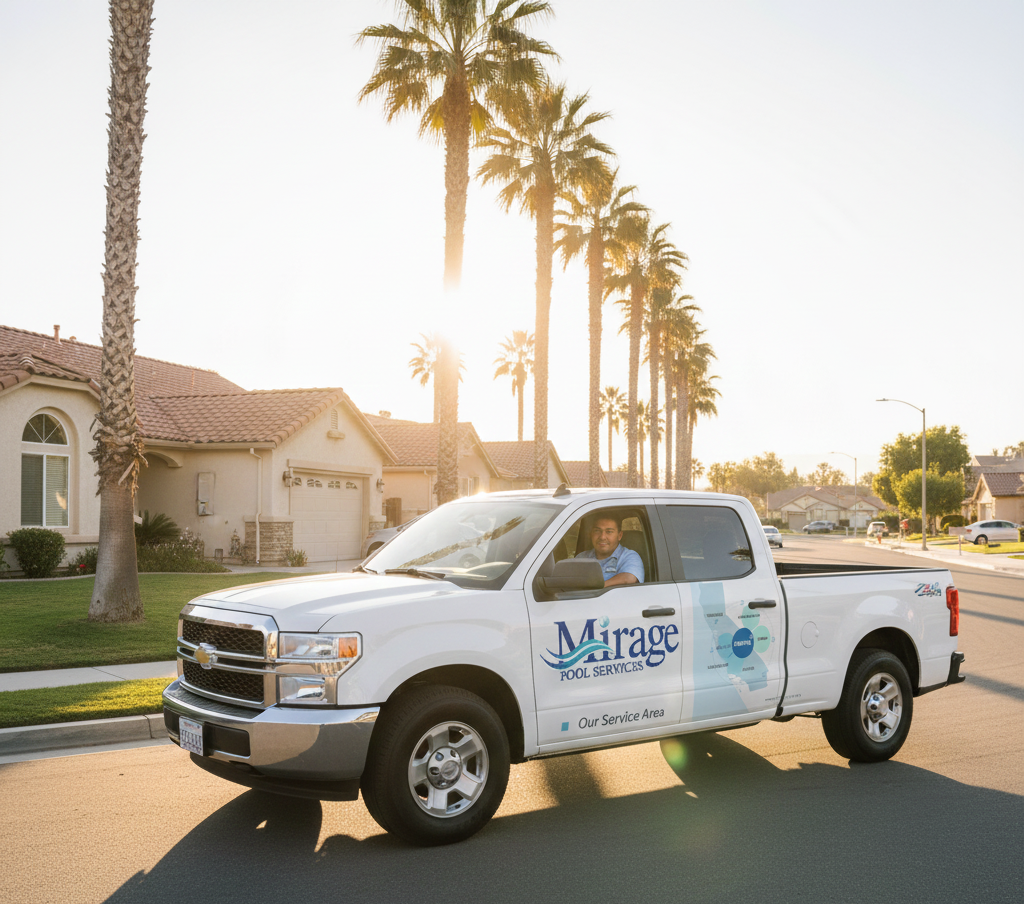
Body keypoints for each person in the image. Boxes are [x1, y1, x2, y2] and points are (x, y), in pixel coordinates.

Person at [575, 514, 644, 586]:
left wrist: (596, 589)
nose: (602, 537)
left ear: (619, 536)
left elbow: (629, 578)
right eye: (597, 531)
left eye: (609, 532)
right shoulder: (581, 557)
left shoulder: (629, 556)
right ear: (591, 534)